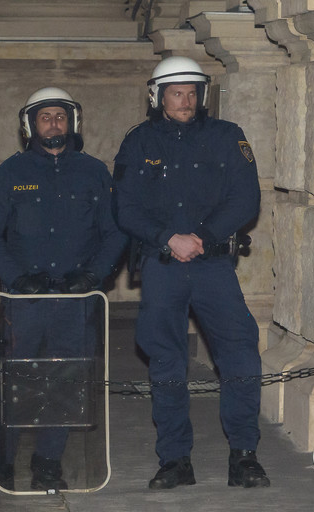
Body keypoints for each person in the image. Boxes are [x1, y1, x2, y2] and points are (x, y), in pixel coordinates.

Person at [113, 56, 268, 490]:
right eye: (176, 93)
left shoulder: (227, 136)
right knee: (166, 359)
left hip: (213, 265)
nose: (186, 101)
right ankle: (175, 459)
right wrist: (167, 237)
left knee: (240, 353)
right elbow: (124, 206)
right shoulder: (138, 142)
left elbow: (246, 198)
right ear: (157, 96)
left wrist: (202, 236)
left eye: (192, 93)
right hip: (163, 267)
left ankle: (244, 455)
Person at [0, 87, 127, 494]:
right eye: (46, 117)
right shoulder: (12, 172)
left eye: (60, 116)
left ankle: (47, 462)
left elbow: (115, 233)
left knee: (66, 379)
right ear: (31, 125)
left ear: (72, 123)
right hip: (24, 301)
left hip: (75, 302)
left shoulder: (94, 172)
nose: (54, 124)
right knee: (10, 379)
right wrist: (16, 278)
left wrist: (92, 277)